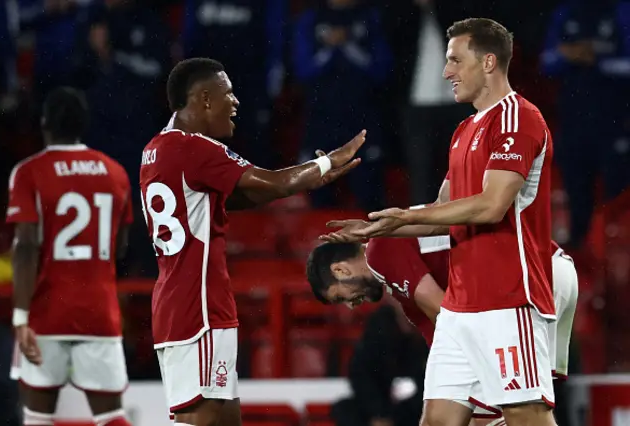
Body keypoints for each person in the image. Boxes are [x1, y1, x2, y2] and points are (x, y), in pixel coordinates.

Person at [323, 18, 557, 426]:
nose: (446, 71)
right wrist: (380, 225)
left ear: (488, 62)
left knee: (527, 419)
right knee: (436, 422)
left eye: (454, 60)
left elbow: (490, 207)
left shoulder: (519, 118)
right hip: (459, 309)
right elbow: (441, 213)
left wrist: (403, 217)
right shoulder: (464, 129)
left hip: (507, 298)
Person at [139, 57, 366, 426]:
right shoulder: (193, 148)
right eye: (228, 94)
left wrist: (306, 179)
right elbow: (273, 182)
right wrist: (324, 165)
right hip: (198, 307)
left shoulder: (157, 149)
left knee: (227, 418)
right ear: (205, 99)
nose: (236, 103)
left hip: (181, 301)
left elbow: (242, 196)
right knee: (203, 417)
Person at [306, 237, 579, 426]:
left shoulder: (380, 248)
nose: (352, 305)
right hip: (536, 276)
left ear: (340, 270)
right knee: (441, 417)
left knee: (523, 412)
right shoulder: (401, 283)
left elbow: (445, 314)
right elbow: (444, 352)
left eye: (341, 296)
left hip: (525, 278)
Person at [7, 87, 133, 426]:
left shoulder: (29, 172)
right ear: (83, 124)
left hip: (46, 312)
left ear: (44, 122)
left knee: (37, 418)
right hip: (99, 309)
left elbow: (27, 246)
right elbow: (120, 247)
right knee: (111, 416)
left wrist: (20, 318)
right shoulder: (115, 173)